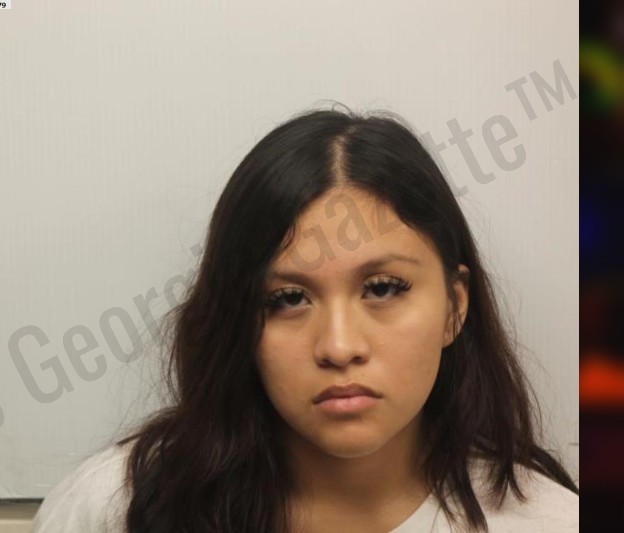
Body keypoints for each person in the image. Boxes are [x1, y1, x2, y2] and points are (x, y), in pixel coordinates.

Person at [33, 107, 579, 532]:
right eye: (288, 298)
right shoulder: (117, 508)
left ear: (455, 307)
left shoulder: (552, 521)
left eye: (383, 288)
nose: (339, 347)